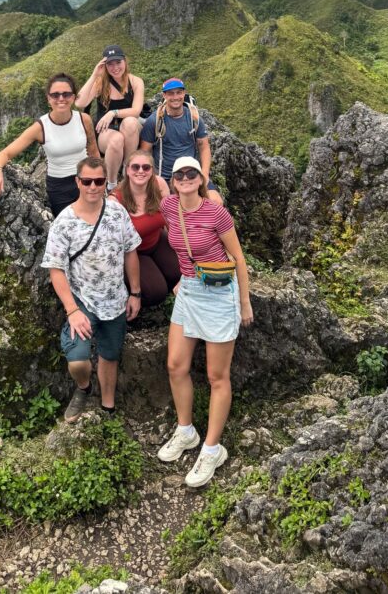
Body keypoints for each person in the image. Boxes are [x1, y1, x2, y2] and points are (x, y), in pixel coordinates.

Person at [157, 156, 253, 487]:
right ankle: (186, 431)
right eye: (179, 174)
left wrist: (244, 302)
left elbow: (238, 258)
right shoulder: (169, 207)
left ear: (201, 179)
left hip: (219, 294)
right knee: (175, 365)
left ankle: (213, 449)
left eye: (191, 173)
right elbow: (174, 239)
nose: (185, 178)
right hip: (189, 290)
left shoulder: (216, 212)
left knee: (216, 376)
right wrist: (182, 276)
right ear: (173, 181)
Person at [41, 156, 142, 422]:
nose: (93, 187)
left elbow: (130, 250)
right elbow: (56, 269)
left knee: (110, 355)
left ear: (105, 182)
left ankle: (108, 407)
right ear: (77, 182)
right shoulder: (64, 222)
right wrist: (72, 310)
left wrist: (135, 292)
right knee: (78, 359)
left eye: (99, 181)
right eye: (87, 181)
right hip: (83, 300)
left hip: (116, 299)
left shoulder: (117, 212)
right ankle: (84, 387)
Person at [0, 74, 99, 217]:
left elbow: (94, 153)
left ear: (73, 97)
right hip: (60, 187)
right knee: (69, 225)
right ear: (48, 98)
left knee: (95, 221)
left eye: (66, 94)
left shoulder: (84, 120)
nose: (61, 98)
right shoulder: (41, 127)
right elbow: (5, 153)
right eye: (55, 95)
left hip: (87, 179)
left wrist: (102, 180)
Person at [110, 150, 181, 307]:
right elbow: (115, 246)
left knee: (180, 273)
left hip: (157, 239)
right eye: (135, 167)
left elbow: (170, 219)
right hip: (133, 252)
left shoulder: (159, 184)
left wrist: (180, 249)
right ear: (127, 170)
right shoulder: (115, 201)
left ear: (152, 170)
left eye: (146, 167)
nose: (141, 171)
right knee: (156, 293)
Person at [140, 78, 223, 206]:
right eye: (171, 93)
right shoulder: (154, 121)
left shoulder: (194, 118)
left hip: (192, 174)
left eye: (179, 92)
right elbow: (144, 153)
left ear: (184, 94)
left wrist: (204, 174)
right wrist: (152, 178)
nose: (175, 97)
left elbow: (204, 147)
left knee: (216, 202)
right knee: (167, 209)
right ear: (164, 95)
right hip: (166, 178)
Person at [75, 45, 145, 193]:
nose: (115, 68)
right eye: (110, 64)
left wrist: (113, 112)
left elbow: (136, 111)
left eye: (118, 62)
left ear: (125, 61)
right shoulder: (101, 83)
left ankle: (127, 170)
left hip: (130, 130)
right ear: (105, 66)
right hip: (106, 131)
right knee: (117, 139)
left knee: (130, 122)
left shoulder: (135, 82)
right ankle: (111, 184)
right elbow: (80, 103)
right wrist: (94, 75)